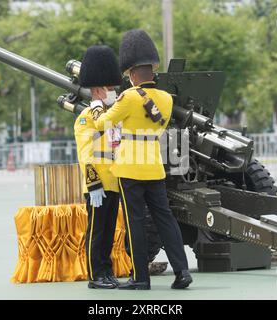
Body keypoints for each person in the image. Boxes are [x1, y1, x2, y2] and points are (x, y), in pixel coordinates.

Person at [92, 29, 192, 290]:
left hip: (129, 167)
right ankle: (182, 271)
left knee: (134, 220)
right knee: (165, 219)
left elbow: (102, 124)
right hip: (154, 166)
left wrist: (97, 106)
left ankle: (140, 278)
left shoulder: (128, 97)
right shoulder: (167, 100)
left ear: (132, 74)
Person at [74, 45, 122, 289]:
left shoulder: (109, 115)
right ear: (97, 89)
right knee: (97, 232)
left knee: (109, 231)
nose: (113, 92)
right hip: (98, 185)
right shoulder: (85, 118)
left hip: (113, 181)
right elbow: (85, 154)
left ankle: (107, 270)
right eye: (110, 88)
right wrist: (93, 183)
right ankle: (96, 275)